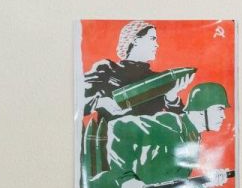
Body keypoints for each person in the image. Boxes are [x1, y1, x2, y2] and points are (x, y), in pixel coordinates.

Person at [85, 83, 231, 188]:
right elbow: (120, 127)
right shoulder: (172, 125)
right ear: (201, 109)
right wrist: (126, 180)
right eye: (219, 109)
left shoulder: (192, 141)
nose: (223, 116)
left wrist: (206, 183)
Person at [81, 20, 195, 176]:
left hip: (147, 162)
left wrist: (172, 97)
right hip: (111, 160)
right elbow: (76, 101)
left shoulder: (159, 80)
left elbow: (179, 127)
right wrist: (101, 102)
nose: (157, 45)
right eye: (152, 39)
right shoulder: (106, 69)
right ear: (135, 40)